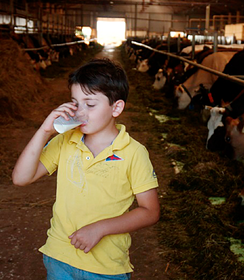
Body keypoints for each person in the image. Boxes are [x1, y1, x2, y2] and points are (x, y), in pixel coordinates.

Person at [12, 58, 160, 280]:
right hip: (59, 257)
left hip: (106, 267)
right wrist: (44, 130)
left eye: (90, 105)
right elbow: (21, 178)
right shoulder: (65, 141)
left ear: (116, 107)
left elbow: (150, 211)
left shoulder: (134, 153)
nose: (80, 112)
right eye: (75, 103)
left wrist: (100, 228)